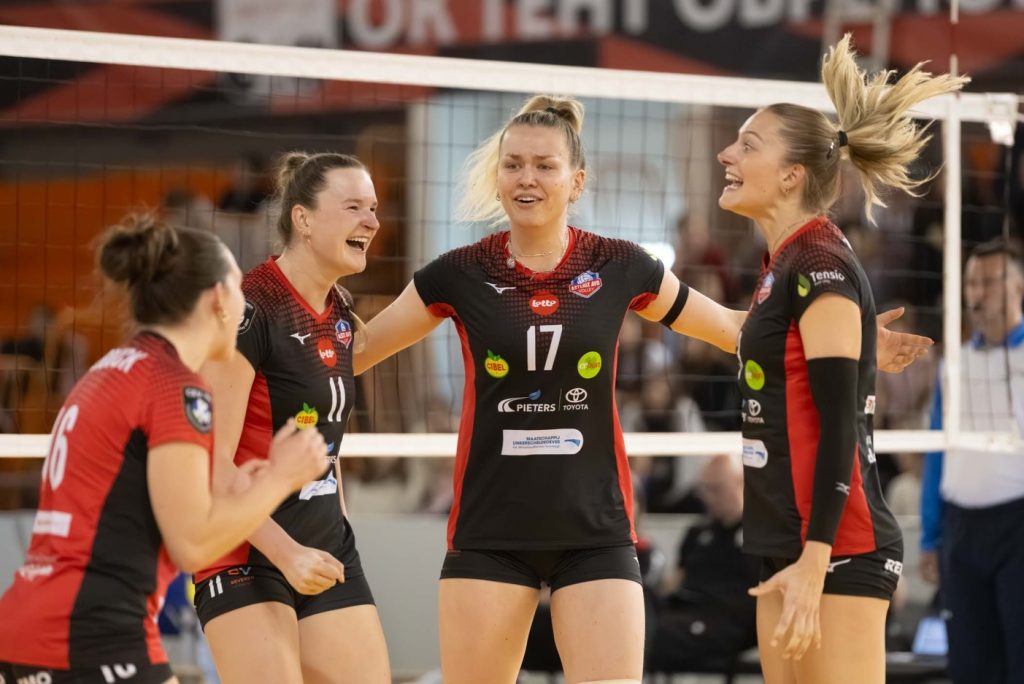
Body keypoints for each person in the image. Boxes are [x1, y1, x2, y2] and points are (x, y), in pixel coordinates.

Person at [353, 94, 930, 684]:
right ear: (497, 177)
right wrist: (306, 297)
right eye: (514, 164)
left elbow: (732, 328)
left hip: (595, 531)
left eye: (545, 165)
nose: (527, 177)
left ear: (576, 181)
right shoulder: (458, 271)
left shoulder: (620, 264)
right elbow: (356, 352)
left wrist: (843, 332)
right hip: (489, 529)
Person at [717, 35, 966, 684]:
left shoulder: (819, 263)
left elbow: (837, 427)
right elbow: (778, 354)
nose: (727, 155)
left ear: (792, 175)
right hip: (787, 540)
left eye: (747, 145)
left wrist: (816, 556)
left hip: (836, 546)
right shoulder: (785, 264)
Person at [0, 215, 327, 683]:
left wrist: (247, 488)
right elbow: (193, 544)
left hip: (32, 625)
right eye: (239, 288)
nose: (245, 303)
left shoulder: (108, 370)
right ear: (218, 298)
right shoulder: (175, 387)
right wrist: (280, 478)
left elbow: (141, 499)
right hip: (90, 632)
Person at [193, 152, 391, 684]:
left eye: (373, 208)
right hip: (245, 549)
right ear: (302, 219)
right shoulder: (249, 310)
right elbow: (210, 464)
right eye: (353, 207)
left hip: (323, 544)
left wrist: (338, 524)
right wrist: (288, 554)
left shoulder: (341, 311)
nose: (372, 221)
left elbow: (324, 442)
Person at [920, 238, 1024, 684]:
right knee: (968, 666)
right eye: (971, 283)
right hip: (962, 532)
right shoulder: (954, 365)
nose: (977, 293)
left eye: (988, 282)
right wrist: (930, 536)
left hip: (1017, 524)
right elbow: (938, 452)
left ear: (1017, 286)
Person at [647, 455, 758, 673]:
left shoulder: (758, 537)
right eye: (704, 489)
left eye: (717, 489)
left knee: (653, 633)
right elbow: (675, 581)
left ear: (740, 484)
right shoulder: (697, 533)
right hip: (687, 612)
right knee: (641, 619)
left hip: (729, 622)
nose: (709, 497)